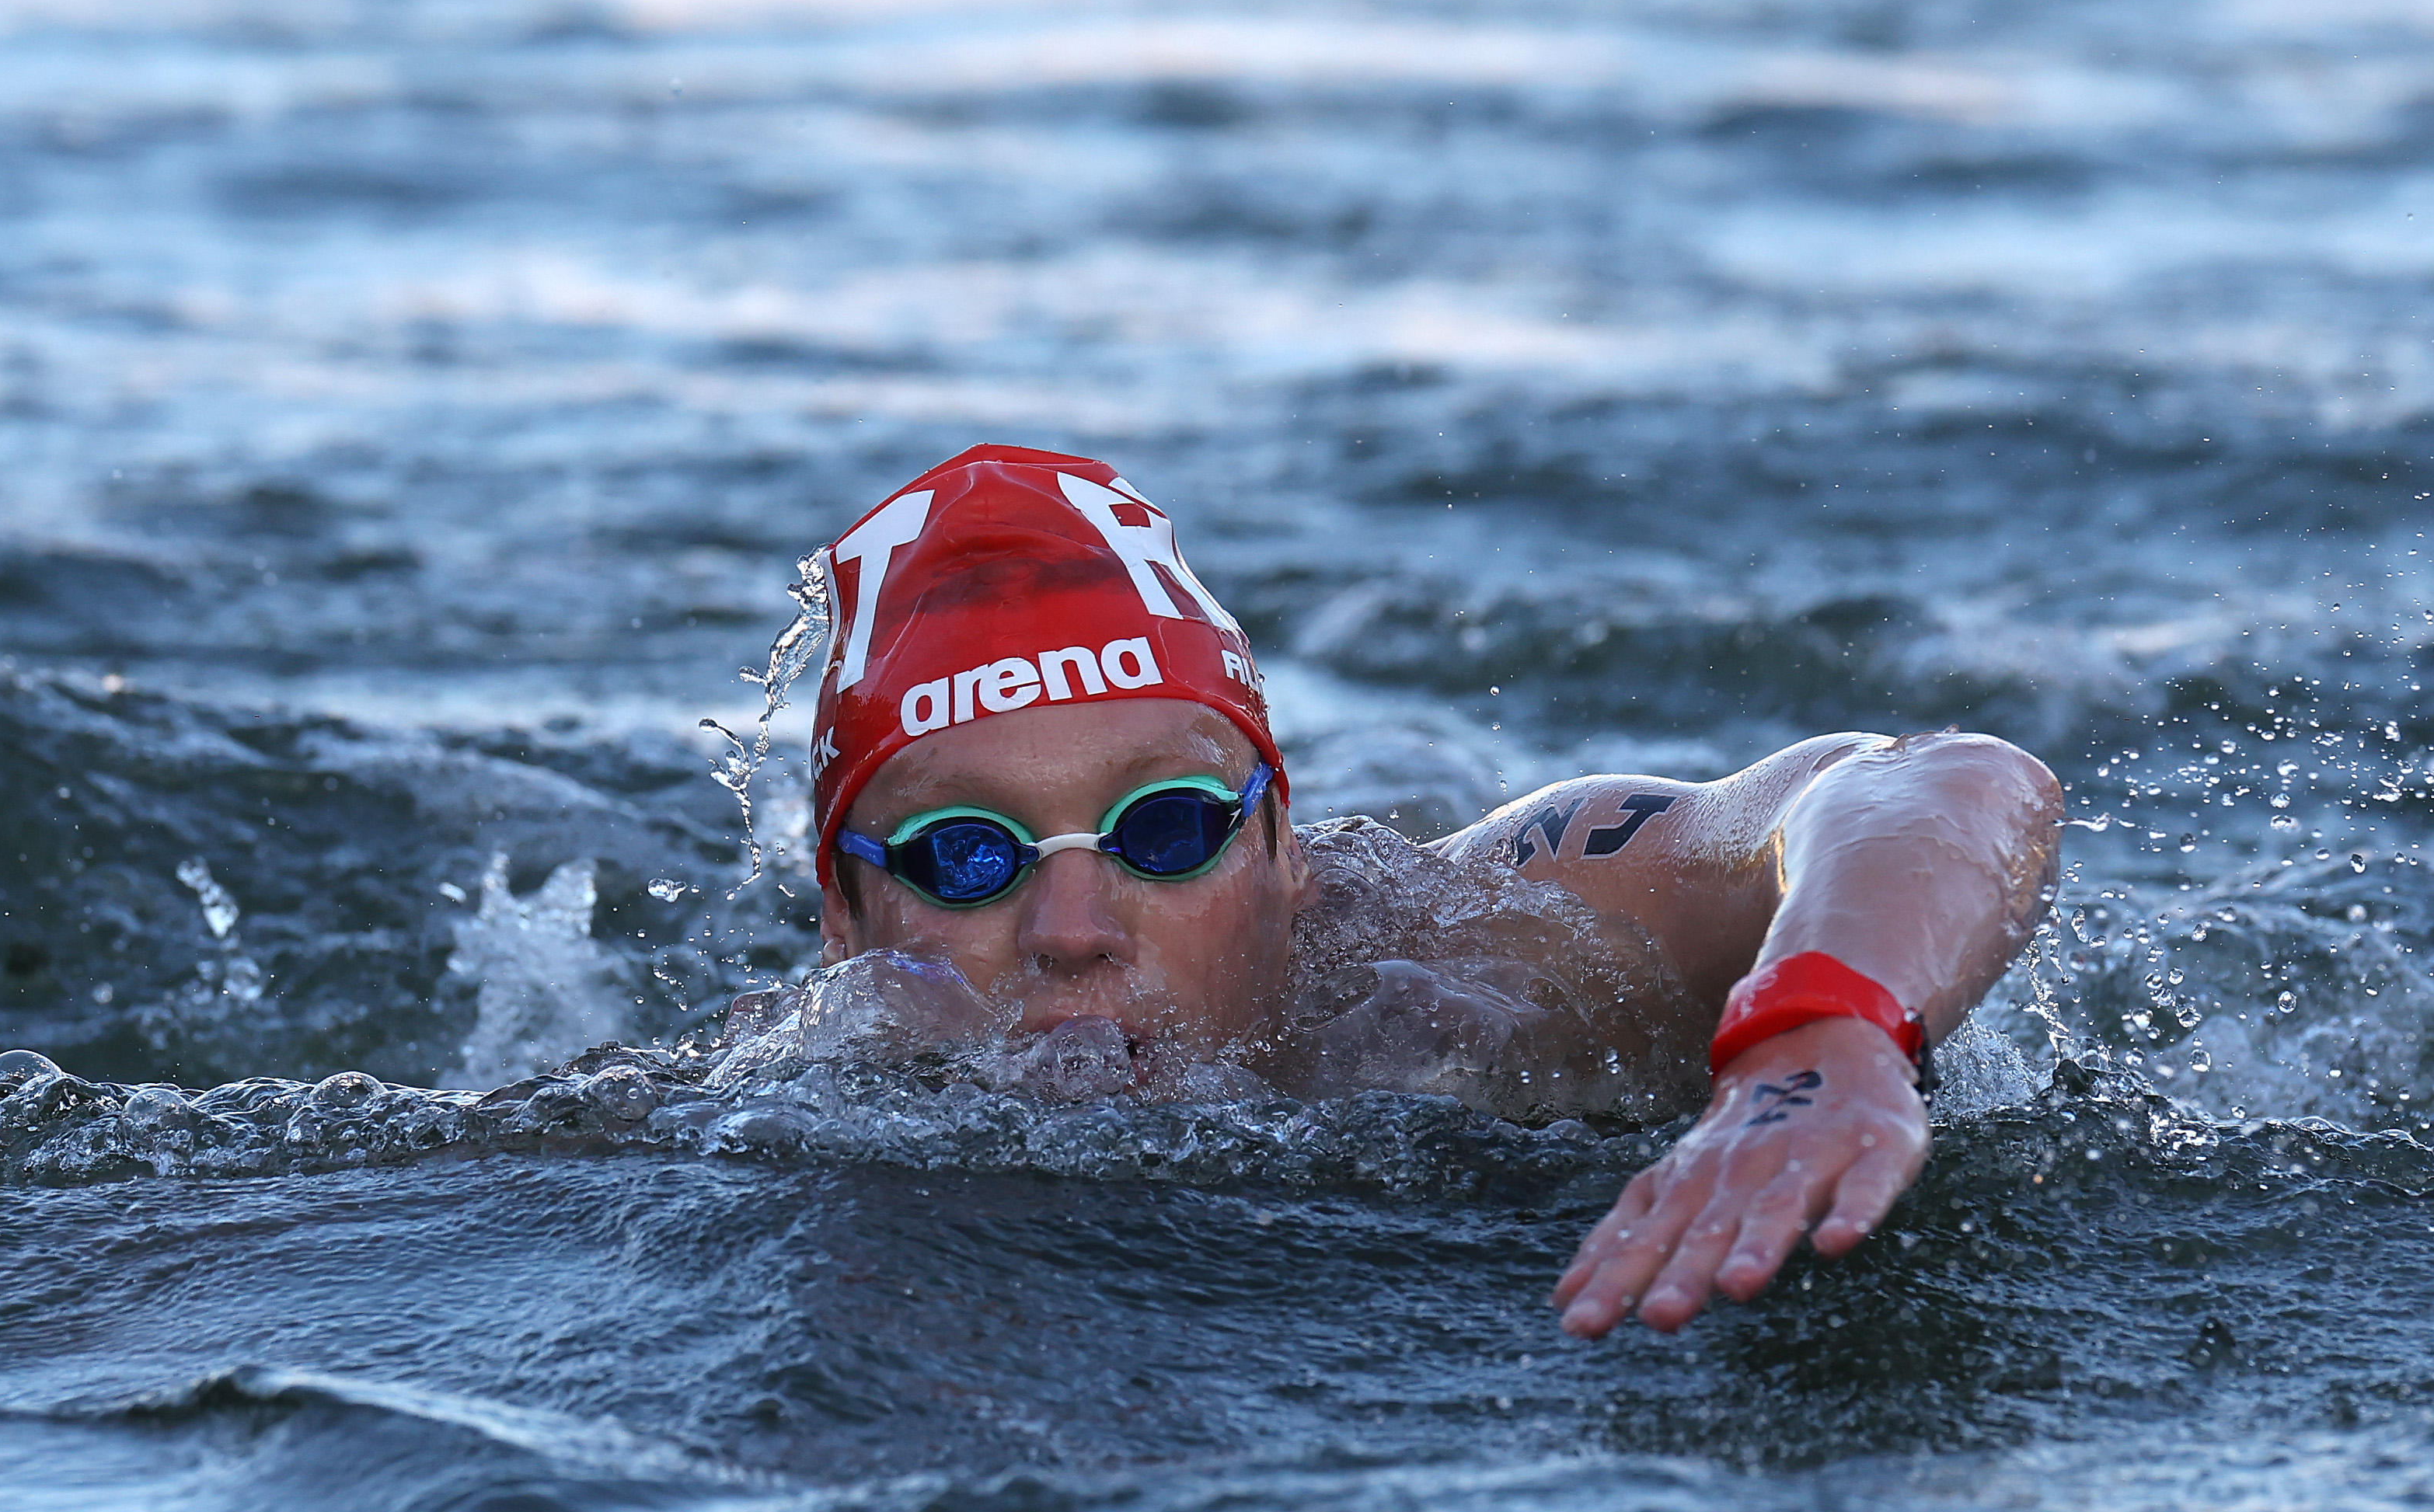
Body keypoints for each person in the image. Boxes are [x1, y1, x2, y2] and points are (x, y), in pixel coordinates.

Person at [793, 443, 2063, 1338]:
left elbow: (1938, 782)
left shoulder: (1492, 949)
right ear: (843, 918)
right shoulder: (759, 1106)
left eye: (1167, 830)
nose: (1071, 934)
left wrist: (1825, 1038)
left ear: (1283, 854)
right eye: (966, 856)